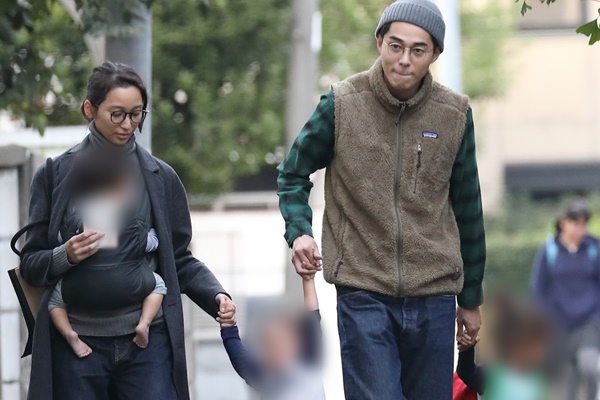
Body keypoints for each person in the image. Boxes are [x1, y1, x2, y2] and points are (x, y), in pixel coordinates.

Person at [277, 0, 486, 398]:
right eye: (395, 46)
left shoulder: (455, 114)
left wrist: (471, 297)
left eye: (418, 50)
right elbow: (292, 173)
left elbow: (469, 209)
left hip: (435, 293)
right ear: (379, 43)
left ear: (435, 54)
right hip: (362, 290)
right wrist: (299, 231)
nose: (404, 59)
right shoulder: (341, 104)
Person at [19, 61, 236, 400]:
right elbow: (30, 264)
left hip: (147, 344)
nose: (127, 125)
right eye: (117, 114)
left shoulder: (161, 178)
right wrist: (66, 254)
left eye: (136, 115)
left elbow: (179, 259)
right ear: (89, 109)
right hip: (76, 345)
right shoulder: (54, 175)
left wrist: (216, 295)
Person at [47, 147, 167, 357]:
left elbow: (58, 239)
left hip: (79, 286)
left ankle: (69, 334)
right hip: (129, 283)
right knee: (158, 285)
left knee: (54, 301)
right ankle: (144, 323)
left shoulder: (74, 220)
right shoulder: (130, 220)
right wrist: (155, 233)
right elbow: (151, 243)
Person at [531, 199, 600, 400]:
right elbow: (538, 289)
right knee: (567, 378)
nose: (580, 229)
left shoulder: (593, 248)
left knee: (589, 366)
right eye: (575, 223)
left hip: (588, 322)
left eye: (583, 224)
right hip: (558, 324)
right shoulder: (549, 249)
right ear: (563, 222)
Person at [219, 273, 324, 400]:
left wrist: (308, 280)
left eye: (280, 343)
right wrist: (228, 325)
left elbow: (312, 321)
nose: (275, 350)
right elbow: (240, 360)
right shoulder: (264, 376)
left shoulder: (308, 363)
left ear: (296, 343)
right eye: (269, 345)